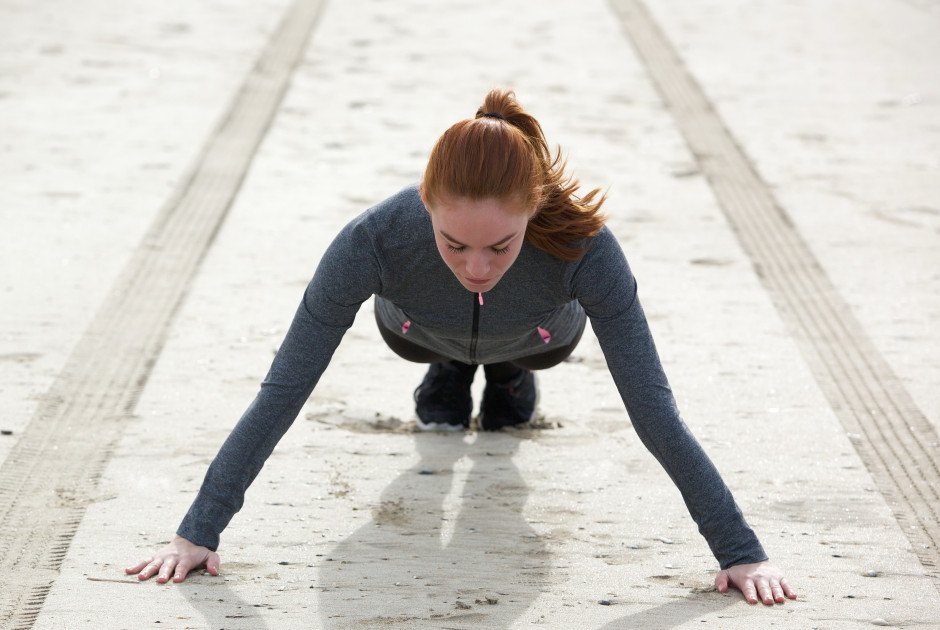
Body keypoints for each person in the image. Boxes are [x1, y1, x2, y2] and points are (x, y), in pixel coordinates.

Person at [127, 89, 797, 605]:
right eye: (455, 244)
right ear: (426, 202)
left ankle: (502, 375)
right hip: (416, 329)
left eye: (500, 246)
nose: (477, 264)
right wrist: (198, 532)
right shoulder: (373, 240)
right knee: (444, 349)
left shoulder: (585, 248)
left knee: (513, 377)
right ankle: (451, 367)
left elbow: (655, 412)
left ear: (533, 208)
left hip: (537, 337)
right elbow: (284, 389)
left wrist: (739, 550)